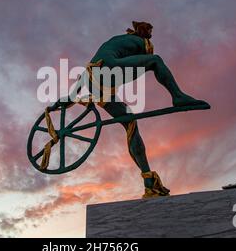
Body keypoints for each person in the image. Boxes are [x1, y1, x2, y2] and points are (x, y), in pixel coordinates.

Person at [57, 21, 208, 198]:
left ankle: (148, 180)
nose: (151, 34)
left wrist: (70, 98)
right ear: (143, 32)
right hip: (108, 69)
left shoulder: (115, 41)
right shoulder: (143, 44)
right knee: (155, 60)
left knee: (130, 124)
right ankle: (178, 96)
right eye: (150, 30)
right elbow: (143, 65)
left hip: (93, 82)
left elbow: (88, 71)